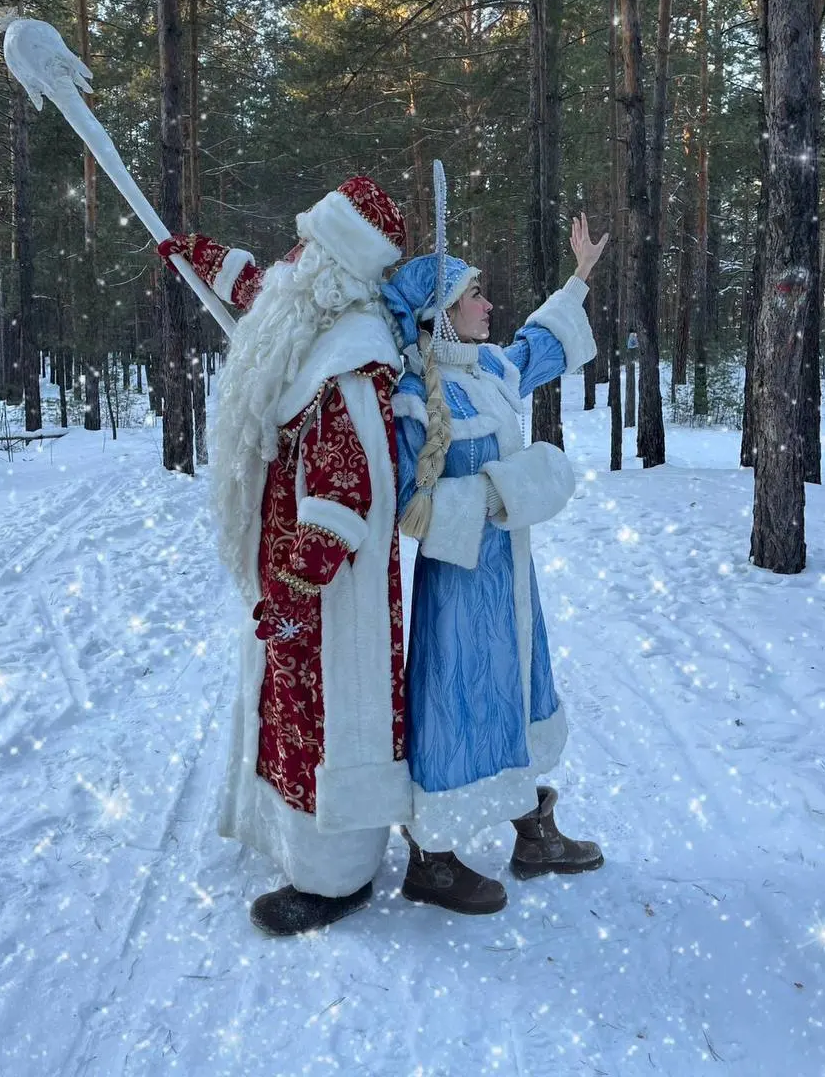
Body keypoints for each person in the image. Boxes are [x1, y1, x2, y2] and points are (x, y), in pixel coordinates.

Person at [158, 176, 412, 936]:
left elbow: (345, 493)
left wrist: (295, 592)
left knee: (330, 719)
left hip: (328, 600)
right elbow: (261, 291)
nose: (290, 258)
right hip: (297, 592)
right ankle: (299, 846)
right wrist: (193, 254)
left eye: (306, 248)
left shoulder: (351, 363)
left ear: (334, 266)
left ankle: (335, 876)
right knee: (292, 712)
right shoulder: (311, 316)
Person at [379, 213, 608, 915]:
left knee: (523, 685)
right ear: (442, 317)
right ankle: (433, 856)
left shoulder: (494, 369)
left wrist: (580, 276)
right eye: (474, 295)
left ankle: (532, 830)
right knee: (459, 697)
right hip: (458, 580)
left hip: (512, 572)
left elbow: (541, 345)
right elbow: (411, 504)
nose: (487, 303)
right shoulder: (415, 397)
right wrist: (512, 488)